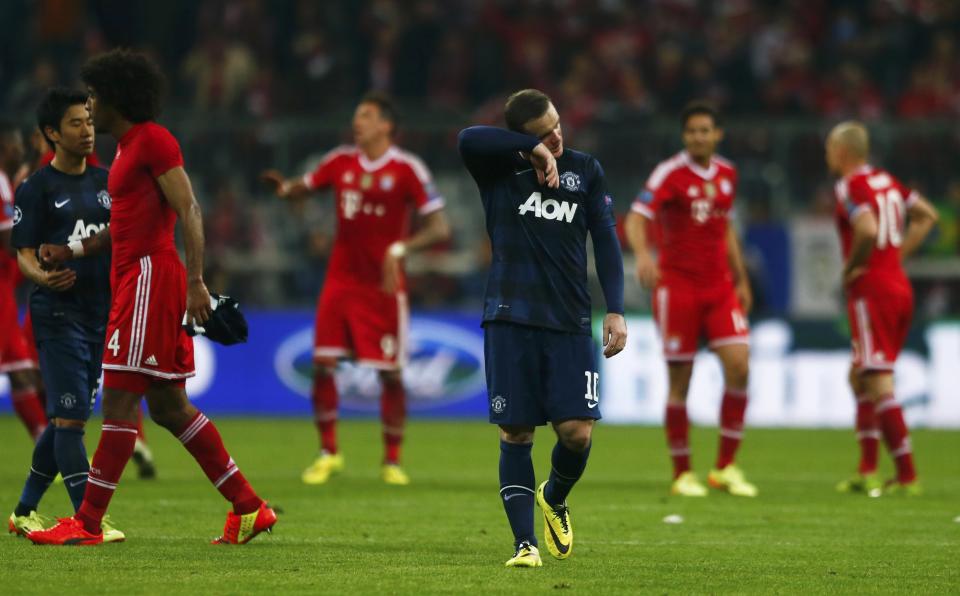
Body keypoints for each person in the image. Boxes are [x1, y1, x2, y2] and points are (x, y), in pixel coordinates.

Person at [28, 49, 275, 546]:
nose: (90, 105)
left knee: (119, 400)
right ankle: (250, 507)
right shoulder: (126, 149)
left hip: (148, 278)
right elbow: (120, 227)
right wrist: (72, 249)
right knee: (167, 407)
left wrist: (197, 282)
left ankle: (88, 522)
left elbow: (191, 209)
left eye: (95, 95)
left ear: (118, 96)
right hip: (136, 278)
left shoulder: (154, 141)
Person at [458, 89, 627, 568]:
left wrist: (614, 308)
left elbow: (607, 239)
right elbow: (468, 137)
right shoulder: (498, 170)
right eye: (542, 132)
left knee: (577, 434)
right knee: (516, 434)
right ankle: (524, 545)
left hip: (571, 321)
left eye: (556, 124)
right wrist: (527, 150)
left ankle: (553, 495)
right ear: (521, 139)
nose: (556, 135)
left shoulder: (586, 171)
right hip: (511, 318)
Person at [262, 92, 450, 486]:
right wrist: (285, 190)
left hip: (382, 288)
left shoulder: (407, 168)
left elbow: (440, 227)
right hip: (340, 281)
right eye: (356, 115)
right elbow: (307, 185)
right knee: (323, 364)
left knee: (391, 375)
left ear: (386, 125)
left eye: (365, 116)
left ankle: (392, 460)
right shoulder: (340, 161)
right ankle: (328, 452)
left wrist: (401, 248)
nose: (357, 122)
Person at [625, 101, 757, 498]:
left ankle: (725, 467)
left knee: (740, 367)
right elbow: (636, 217)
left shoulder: (729, 173)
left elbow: (725, 228)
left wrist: (741, 278)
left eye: (705, 130)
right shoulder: (670, 173)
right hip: (678, 288)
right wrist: (644, 255)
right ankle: (683, 472)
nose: (699, 137)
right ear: (685, 136)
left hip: (719, 288)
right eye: (692, 131)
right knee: (680, 381)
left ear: (718, 134)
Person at [7, 88, 123, 541]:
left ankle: (23, 511)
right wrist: (43, 278)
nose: (88, 130)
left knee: (64, 420)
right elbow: (24, 255)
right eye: (76, 123)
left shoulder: (107, 182)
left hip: (100, 314)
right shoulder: (35, 188)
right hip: (57, 315)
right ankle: (87, 518)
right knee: (71, 422)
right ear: (52, 133)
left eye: (90, 121)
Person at [826, 121, 938, 496]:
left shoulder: (848, 186)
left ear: (841, 152)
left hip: (871, 290)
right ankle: (867, 469)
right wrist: (896, 257)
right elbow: (927, 216)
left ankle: (907, 475)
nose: (828, 155)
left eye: (829, 148)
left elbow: (868, 229)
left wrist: (855, 266)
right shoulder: (887, 181)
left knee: (877, 379)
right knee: (860, 374)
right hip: (898, 286)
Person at [0, 120, 47, 441]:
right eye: (16, 145)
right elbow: (7, 239)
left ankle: (49, 448)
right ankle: (52, 452)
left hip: (5, 287)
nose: (21, 151)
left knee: (23, 371)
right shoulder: (2, 180)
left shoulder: (9, 181)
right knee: (22, 372)